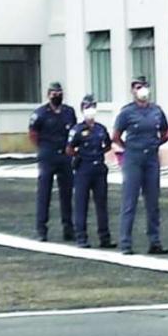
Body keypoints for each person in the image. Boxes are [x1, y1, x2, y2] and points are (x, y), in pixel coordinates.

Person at [112, 76, 168, 256]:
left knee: (153, 202)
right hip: (133, 158)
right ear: (133, 91)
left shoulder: (156, 111)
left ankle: (155, 241)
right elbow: (116, 136)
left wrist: (155, 144)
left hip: (151, 157)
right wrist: (128, 148)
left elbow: (165, 131)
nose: (142, 90)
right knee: (130, 201)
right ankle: (126, 242)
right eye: (138, 87)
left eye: (144, 86)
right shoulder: (127, 112)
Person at [28, 81, 76, 242]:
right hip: (48, 156)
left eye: (59, 93)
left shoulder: (69, 112)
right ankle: (42, 229)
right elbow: (33, 134)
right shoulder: (40, 113)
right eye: (54, 93)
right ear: (48, 95)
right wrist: (42, 150)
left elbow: (74, 132)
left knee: (67, 193)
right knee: (44, 193)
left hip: (65, 156)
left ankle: (68, 228)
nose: (57, 96)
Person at [66, 95, 113, 249]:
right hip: (83, 169)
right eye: (87, 107)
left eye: (92, 106)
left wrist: (97, 153)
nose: (90, 110)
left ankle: (104, 237)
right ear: (82, 109)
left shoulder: (100, 129)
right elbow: (69, 149)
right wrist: (81, 155)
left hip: (99, 168)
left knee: (101, 204)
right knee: (81, 204)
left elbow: (107, 145)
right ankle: (81, 237)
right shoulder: (77, 130)